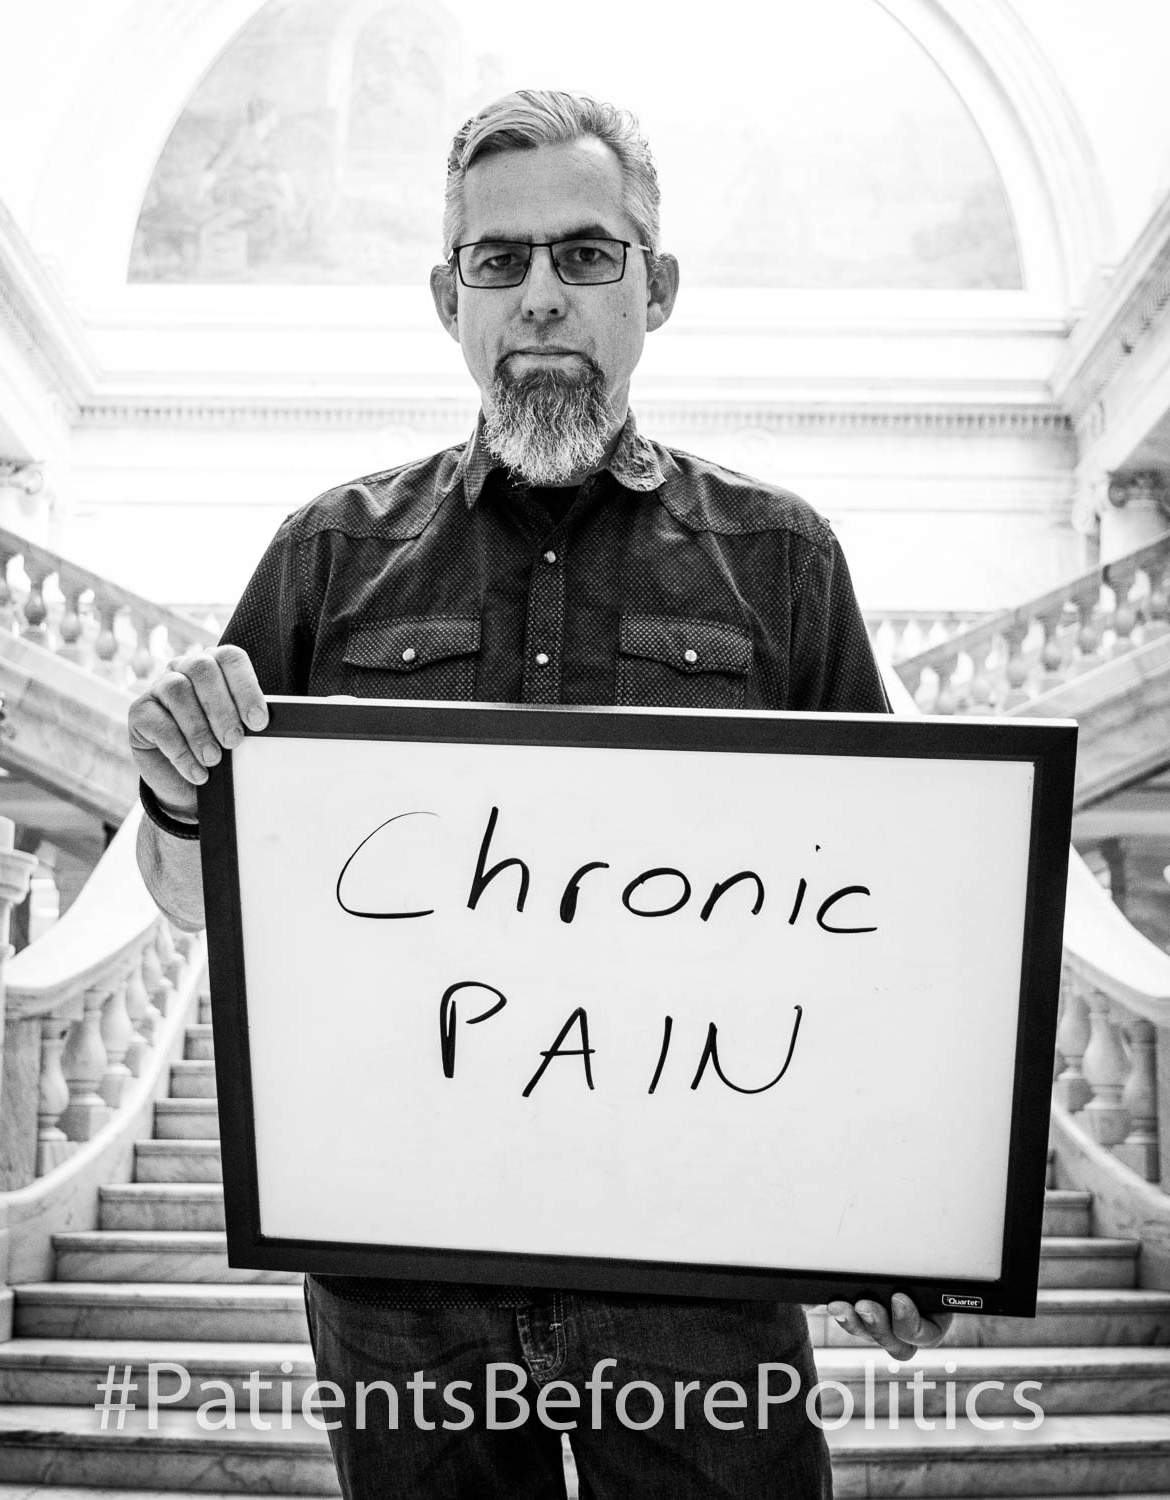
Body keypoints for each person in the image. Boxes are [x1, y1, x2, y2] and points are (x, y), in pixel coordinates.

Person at [130, 89, 951, 1500]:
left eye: (585, 254)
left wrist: (903, 1213)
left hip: (701, 1277)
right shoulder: (327, 556)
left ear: (657, 287)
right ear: (448, 297)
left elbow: (882, 927)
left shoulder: (782, 559)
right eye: (499, 261)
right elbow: (192, 899)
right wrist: (172, 791)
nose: (542, 296)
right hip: (406, 1282)